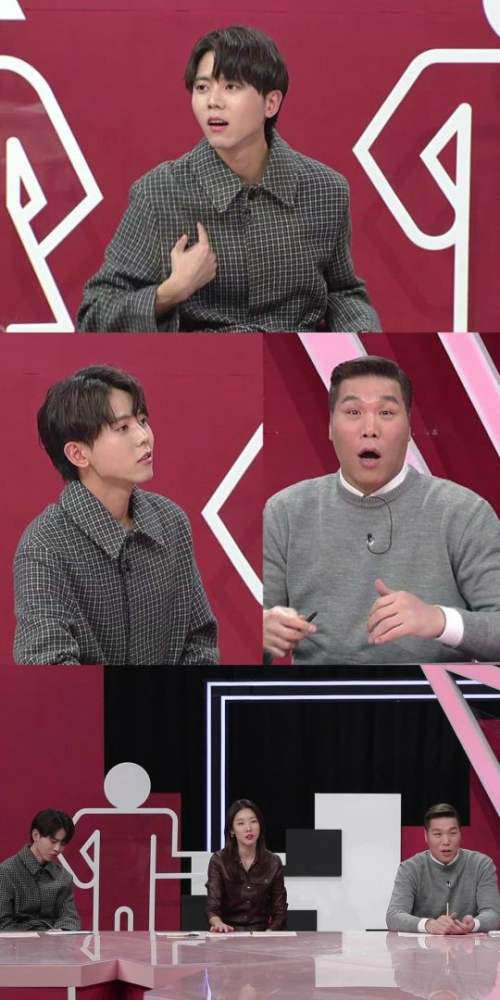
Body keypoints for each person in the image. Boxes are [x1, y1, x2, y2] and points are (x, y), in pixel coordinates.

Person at [76, 25, 380, 333]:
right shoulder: (159, 192)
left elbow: (342, 293)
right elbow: (94, 316)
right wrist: (171, 291)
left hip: (296, 352)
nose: (213, 101)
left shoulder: (325, 190)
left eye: (231, 87)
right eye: (202, 87)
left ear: (271, 103)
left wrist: (365, 338)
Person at [263, 355, 500, 664]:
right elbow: (237, 642)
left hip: (431, 693)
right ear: (331, 426)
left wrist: (440, 620)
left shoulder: (464, 513)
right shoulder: (285, 512)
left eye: (386, 412)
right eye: (353, 412)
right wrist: (262, 635)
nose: (370, 428)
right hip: (320, 693)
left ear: (409, 427)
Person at [14, 365, 218, 665]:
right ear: (78, 454)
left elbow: (199, 639)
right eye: (123, 428)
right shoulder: (44, 546)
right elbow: (48, 665)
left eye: (142, 421)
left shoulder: (170, 521)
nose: (143, 437)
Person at [386, 803, 500, 934]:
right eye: (438, 834)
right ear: (426, 836)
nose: (446, 841)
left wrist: (474, 924)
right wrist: (429, 925)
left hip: (469, 944)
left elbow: (494, 913)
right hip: (423, 946)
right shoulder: (410, 868)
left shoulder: (481, 865)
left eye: (453, 833)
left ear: (460, 834)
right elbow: (393, 916)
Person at [206, 798, 287, 932]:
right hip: (228, 933)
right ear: (232, 830)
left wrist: (269, 933)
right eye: (241, 823)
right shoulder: (219, 860)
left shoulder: (273, 862)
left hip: (262, 935)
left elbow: (280, 912)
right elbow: (212, 908)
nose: (248, 828)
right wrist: (218, 923)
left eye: (253, 822)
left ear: (260, 825)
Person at [0, 809, 81, 932]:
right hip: (16, 941)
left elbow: (70, 918)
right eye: (53, 841)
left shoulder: (64, 877)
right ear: (36, 835)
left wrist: (62, 931)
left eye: (63, 844)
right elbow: (3, 924)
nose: (57, 848)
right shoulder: (6, 872)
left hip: (54, 942)